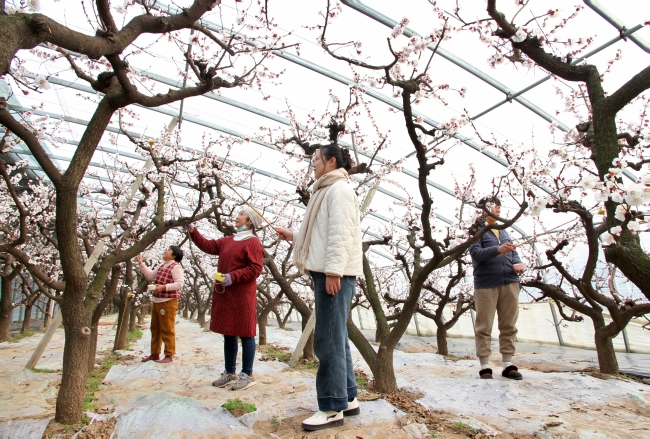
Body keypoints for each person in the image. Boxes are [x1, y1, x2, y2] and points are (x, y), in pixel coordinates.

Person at [275, 144, 363, 431]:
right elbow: (322, 232)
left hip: (333, 273)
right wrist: (293, 235)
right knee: (336, 336)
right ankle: (347, 398)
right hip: (330, 271)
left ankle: (331, 406)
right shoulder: (328, 190)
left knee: (327, 340)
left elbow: (341, 233)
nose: (313, 163)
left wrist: (334, 271)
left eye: (317, 158)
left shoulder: (339, 190)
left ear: (331, 161)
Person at [186, 206, 264, 391]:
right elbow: (208, 245)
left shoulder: (253, 242)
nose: (237, 217)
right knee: (229, 332)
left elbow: (255, 268)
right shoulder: (229, 240)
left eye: (241, 215)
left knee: (246, 334)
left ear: (250, 222)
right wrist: (192, 230)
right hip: (227, 294)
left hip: (242, 295)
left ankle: (248, 374)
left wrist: (232, 276)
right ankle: (230, 372)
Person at [469, 197, 525, 380]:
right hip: (486, 284)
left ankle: (508, 364)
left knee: (508, 324)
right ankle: (484, 365)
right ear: (484, 209)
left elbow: (513, 252)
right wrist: (498, 250)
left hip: (510, 281)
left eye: (499, 207)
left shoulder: (503, 230)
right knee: (484, 326)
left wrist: (517, 264)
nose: (498, 210)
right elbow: (476, 253)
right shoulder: (476, 230)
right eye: (494, 207)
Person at [137, 245, 185, 364]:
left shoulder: (176, 267)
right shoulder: (161, 266)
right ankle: (155, 353)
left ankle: (169, 354)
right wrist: (141, 263)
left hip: (168, 301)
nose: (165, 251)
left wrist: (164, 287)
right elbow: (150, 275)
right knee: (155, 328)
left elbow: (179, 284)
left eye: (168, 250)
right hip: (157, 300)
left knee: (167, 328)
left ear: (174, 255)